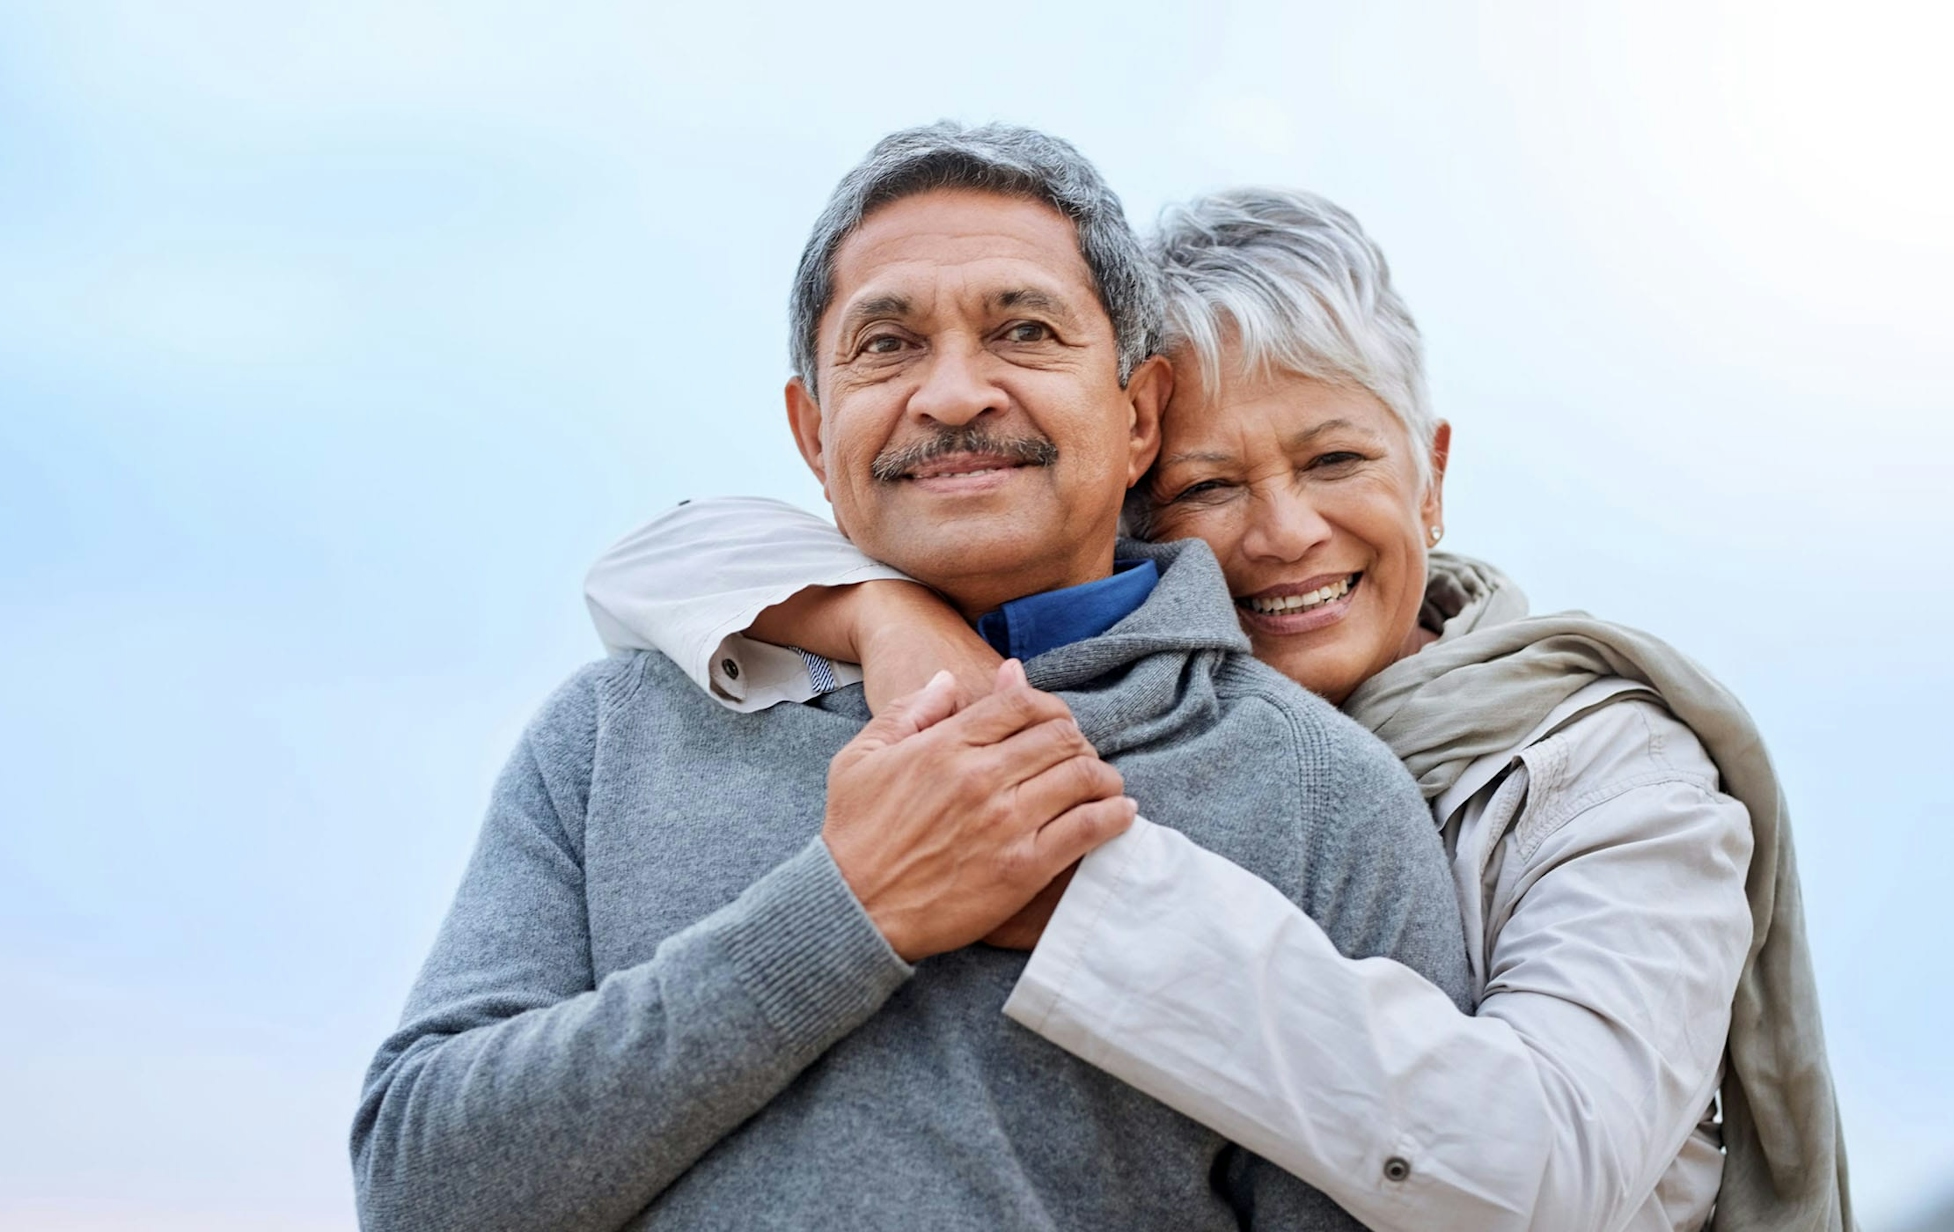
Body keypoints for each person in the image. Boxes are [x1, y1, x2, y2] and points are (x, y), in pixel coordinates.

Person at [586, 190, 1855, 1232]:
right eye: (1208, 484)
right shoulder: (1144, 717)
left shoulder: (1601, 769)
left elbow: (1549, 1163)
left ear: (1434, 477)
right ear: (1126, 474)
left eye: (1336, 459)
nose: (1284, 531)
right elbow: (654, 555)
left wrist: (1075, 890)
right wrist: (876, 611)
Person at [352, 125, 1473, 1232]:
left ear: (1138, 415)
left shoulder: (1325, 794)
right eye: (885, 345)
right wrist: (845, 912)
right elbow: (418, 1187)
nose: (949, 394)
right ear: (811, 428)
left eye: (1023, 330)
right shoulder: (614, 733)